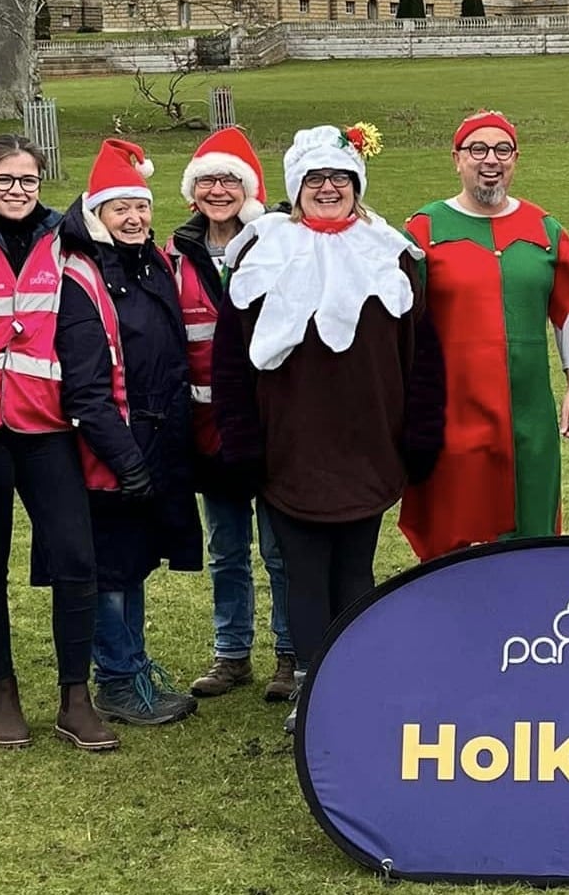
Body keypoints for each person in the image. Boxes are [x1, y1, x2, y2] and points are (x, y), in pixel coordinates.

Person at [212, 124, 444, 733]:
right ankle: (314, 685)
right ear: (296, 187)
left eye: (339, 179)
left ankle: (355, 675)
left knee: (356, 568)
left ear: (356, 185)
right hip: (289, 443)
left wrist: (420, 432)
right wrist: (241, 440)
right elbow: (231, 359)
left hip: (368, 440)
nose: (327, 189)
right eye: (314, 179)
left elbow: (422, 353)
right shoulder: (256, 251)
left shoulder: (393, 253)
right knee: (303, 571)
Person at [0, 135, 116, 752]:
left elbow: (125, 257)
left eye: (28, 180)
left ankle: (75, 696)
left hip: (45, 426)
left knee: (75, 558)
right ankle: (2, 690)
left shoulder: (66, 235)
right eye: (5, 179)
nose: (17, 190)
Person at [56, 138, 204, 725]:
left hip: (156, 440)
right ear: (97, 214)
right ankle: (118, 679)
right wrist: (124, 459)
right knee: (110, 570)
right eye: (120, 209)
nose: (135, 219)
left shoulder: (151, 264)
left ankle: (133, 665)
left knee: (134, 563)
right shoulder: (83, 280)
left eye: (141, 207)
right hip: (111, 450)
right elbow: (86, 389)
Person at [398, 110, 569, 561]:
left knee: (531, 517)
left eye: (502, 150)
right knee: (457, 520)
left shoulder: (544, 230)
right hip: (453, 404)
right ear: (457, 159)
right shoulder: (425, 229)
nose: (490, 160)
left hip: (528, 409)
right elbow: (401, 319)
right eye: (477, 150)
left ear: (515, 159)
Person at [167, 128, 299, 704]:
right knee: (226, 548)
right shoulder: (173, 253)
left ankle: (290, 654)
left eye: (229, 181)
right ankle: (231, 653)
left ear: (248, 190)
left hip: (270, 423)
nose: (218, 191)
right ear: (192, 192)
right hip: (207, 425)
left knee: (280, 547)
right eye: (207, 181)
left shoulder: (279, 241)